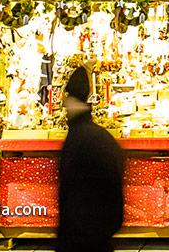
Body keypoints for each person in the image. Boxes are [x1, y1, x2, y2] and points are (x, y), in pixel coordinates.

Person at [55, 66, 125, 252]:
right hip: (98, 233)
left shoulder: (80, 138)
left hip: (82, 237)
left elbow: (71, 193)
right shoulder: (101, 137)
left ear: (70, 100)